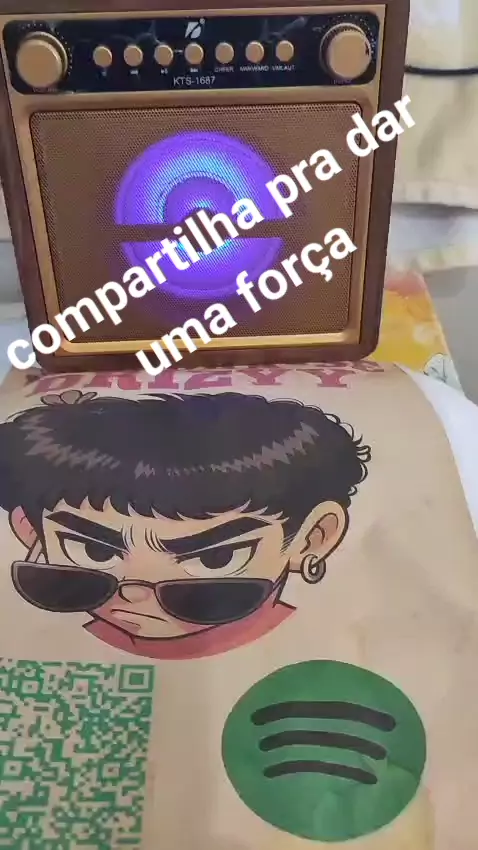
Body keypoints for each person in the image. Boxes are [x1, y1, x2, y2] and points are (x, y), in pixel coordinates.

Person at [0, 389, 370, 660]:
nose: (135, 595)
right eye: (94, 550)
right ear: (30, 531)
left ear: (312, 538)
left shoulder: (326, 651)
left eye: (214, 558)